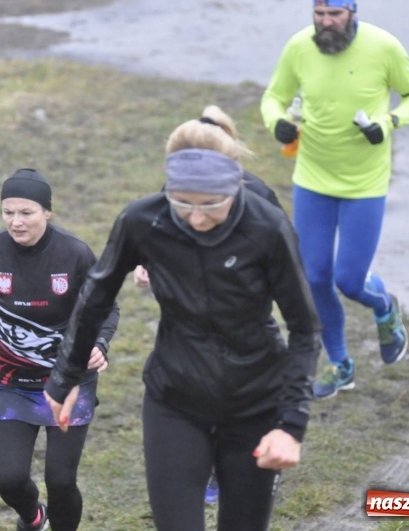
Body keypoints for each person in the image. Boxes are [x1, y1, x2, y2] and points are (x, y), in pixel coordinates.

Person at [44, 107, 323, 531]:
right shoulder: (144, 220)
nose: (196, 217)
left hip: (256, 402)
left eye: (212, 204)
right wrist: (65, 377)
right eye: (182, 203)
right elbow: (95, 298)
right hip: (174, 400)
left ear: (235, 186)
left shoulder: (267, 227)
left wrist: (291, 424)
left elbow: (304, 328)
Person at [260, 0, 409, 399]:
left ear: (352, 12)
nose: (326, 22)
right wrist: (277, 123)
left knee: (350, 281)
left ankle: (385, 307)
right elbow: (273, 97)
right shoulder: (299, 46)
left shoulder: (384, 46)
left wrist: (388, 122)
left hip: (365, 184)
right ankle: (340, 365)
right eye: (319, 15)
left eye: (334, 15)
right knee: (314, 278)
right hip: (312, 180)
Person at [131, 105, 286, 506]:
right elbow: (160, 238)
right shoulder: (175, 190)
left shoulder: (258, 196)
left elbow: (285, 258)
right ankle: (210, 460)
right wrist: (148, 267)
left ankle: (262, 450)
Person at [0, 168, 119, 531]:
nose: (15, 222)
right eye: (8, 212)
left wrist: (100, 343)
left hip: (68, 381)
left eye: (26, 212)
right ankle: (34, 518)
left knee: (61, 481)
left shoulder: (75, 254)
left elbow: (107, 307)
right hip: (11, 379)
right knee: (9, 479)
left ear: (47, 211)